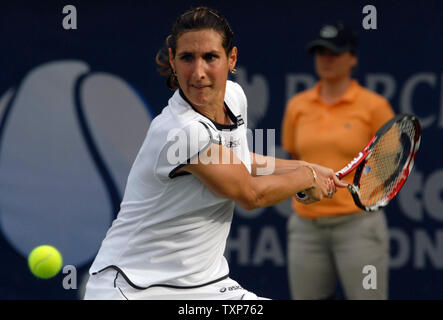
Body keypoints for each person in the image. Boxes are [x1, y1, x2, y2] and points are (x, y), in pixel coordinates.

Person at [83, 7, 347, 300]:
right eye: (187, 58)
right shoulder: (179, 131)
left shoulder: (234, 97)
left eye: (210, 57)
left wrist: (305, 166)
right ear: (172, 60)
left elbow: (239, 163)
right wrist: (305, 176)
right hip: (133, 288)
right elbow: (251, 193)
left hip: (204, 286)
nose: (198, 72)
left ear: (231, 58)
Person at [282, 22, 395, 300]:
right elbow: (293, 160)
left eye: (334, 52)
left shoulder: (374, 106)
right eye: (320, 52)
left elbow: (390, 164)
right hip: (306, 226)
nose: (326, 59)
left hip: (358, 226)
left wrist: (363, 190)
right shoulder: (298, 105)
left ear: (352, 58)